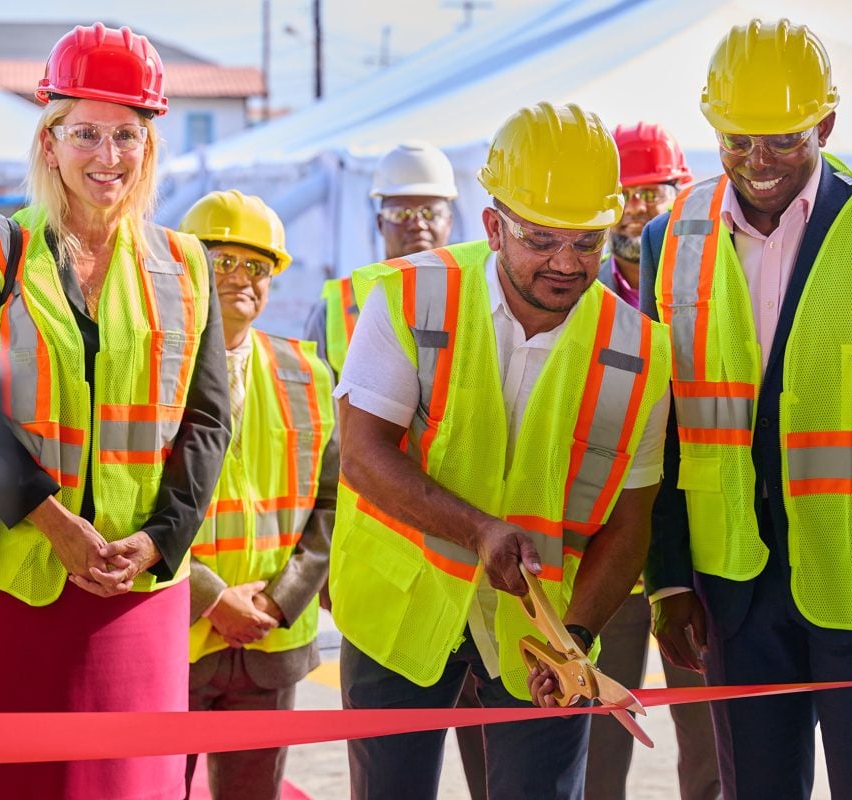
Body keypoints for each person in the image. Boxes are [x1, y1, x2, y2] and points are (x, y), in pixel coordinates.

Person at [639, 19, 852, 800]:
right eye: (736, 139)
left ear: (825, 123)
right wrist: (668, 580)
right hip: (730, 586)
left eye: (784, 141)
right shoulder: (670, 237)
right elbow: (664, 423)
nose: (758, 162)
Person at [330, 101, 671, 800]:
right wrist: (479, 530)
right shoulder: (407, 296)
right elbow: (362, 456)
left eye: (587, 242)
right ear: (493, 225)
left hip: (539, 633)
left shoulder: (641, 353)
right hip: (399, 609)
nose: (567, 264)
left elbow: (629, 525)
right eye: (542, 240)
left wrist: (572, 636)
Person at [0, 23, 229, 800]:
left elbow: (208, 421)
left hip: (139, 593)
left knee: (131, 786)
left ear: (149, 144)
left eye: (126, 134)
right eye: (86, 133)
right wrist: (55, 524)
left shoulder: (188, 264)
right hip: (13, 581)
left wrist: (160, 542)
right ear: (50, 139)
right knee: (11, 785)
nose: (108, 156)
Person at [179, 191, 338, 799]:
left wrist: (282, 601)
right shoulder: (152, 369)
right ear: (190, 268)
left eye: (258, 266)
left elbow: (329, 502)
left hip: (272, 638)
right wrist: (213, 598)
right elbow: (124, 497)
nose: (243, 279)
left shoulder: (306, 372)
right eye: (225, 262)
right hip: (178, 633)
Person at [586, 121, 721, 800]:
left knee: (710, 741)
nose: (638, 208)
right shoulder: (578, 292)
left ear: (683, 189)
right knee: (595, 735)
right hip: (605, 545)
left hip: (695, 551)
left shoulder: (710, 286)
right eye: (625, 194)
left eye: (654, 191)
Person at [304, 141, 458, 377]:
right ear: (379, 223)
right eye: (401, 214)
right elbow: (316, 404)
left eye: (429, 213)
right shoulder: (333, 310)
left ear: (449, 222)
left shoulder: (481, 301)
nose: (417, 224)